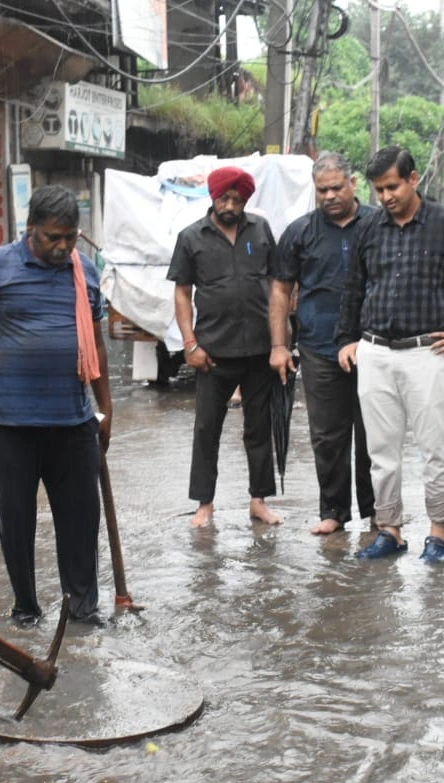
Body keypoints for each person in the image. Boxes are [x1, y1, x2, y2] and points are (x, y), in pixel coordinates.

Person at [0, 185, 111, 627]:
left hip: (73, 419)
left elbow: (95, 344)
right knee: (17, 522)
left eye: (70, 238)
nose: (63, 247)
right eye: (52, 238)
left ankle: (82, 609)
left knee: (80, 522)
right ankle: (26, 607)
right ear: (30, 230)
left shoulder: (85, 271)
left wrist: (106, 408)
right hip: (12, 423)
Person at [335, 146, 444, 562]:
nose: (386, 196)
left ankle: (438, 534)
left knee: (435, 448)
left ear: (413, 179)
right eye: (379, 190)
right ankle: (389, 530)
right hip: (375, 351)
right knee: (381, 452)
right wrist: (346, 339)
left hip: (427, 351)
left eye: (392, 186)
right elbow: (354, 287)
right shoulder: (370, 229)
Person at [169, 165, 282, 528]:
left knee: (259, 428)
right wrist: (190, 344)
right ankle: (205, 504)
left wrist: (282, 341)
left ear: (245, 199)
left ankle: (259, 501)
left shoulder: (260, 229)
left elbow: (279, 284)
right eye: (224, 197)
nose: (230, 204)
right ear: (213, 197)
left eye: (237, 198)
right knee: (207, 429)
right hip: (213, 352)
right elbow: (183, 293)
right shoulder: (191, 237)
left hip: (259, 349)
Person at [270, 152, 376, 535]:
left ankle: (376, 512)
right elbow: (281, 290)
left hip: (373, 345)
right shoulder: (300, 232)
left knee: (373, 434)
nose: (329, 196)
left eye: (336, 187)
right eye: (322, 190)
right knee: (327, 435)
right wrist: (279, 346)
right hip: (318, 345)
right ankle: (333, 511)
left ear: (353, 183)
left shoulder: (378, 224)